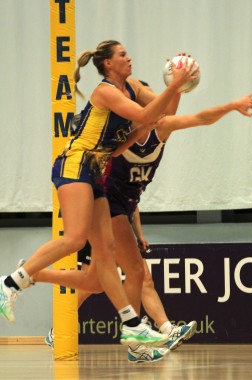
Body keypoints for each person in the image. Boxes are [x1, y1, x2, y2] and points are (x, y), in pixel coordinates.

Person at [42, 82, 252, 363]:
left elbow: (200, 118)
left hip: (121, 210)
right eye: (146, 100)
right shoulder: (118, 137)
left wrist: (230, 105)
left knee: (100, 280)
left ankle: (150, 332)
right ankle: (144, 336)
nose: (155, 104)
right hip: (101, 210)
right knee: (133, 273)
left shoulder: (161, 131)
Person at [0, 40, 197, 349]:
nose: (129, 57)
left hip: (95, 172)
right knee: (76, 239)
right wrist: (177, 85)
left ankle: (133, 330)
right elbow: (146, 117)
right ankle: (11, 282)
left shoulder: (132, 85)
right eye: (122, 54)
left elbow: (162, 114)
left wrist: (179, 87)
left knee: (100, 269)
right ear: (108, 64)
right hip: (75, 164)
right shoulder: (106, 91)